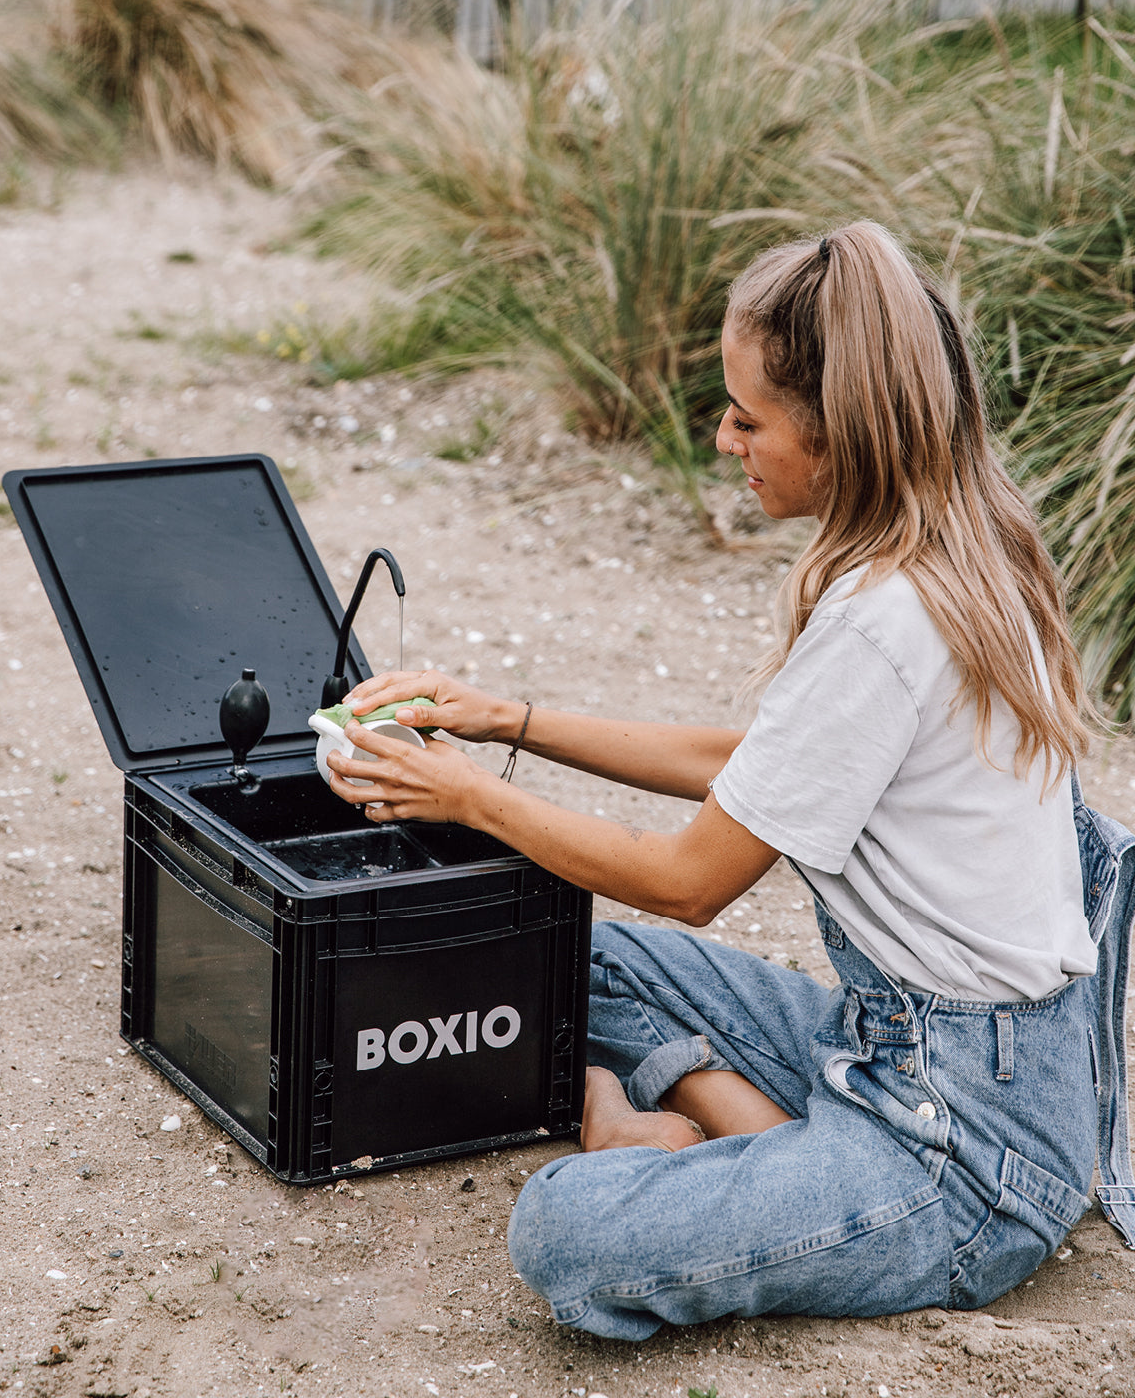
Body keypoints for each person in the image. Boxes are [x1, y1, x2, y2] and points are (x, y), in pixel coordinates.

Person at [322, 221, 1133, 1339]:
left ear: (839, 438)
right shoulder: (957, 550)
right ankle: (744, 1118)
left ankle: (691, 1133)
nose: (722, 436)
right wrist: (509, 718)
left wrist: (468, 794)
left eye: (750, 417)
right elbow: (761, 767)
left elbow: (688, 879)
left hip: (967, 1150)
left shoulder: (885, 623)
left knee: (563, 1234)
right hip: (915, 1045)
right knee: (570, 952)